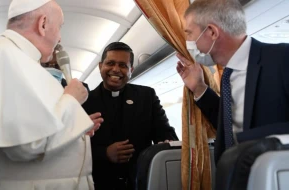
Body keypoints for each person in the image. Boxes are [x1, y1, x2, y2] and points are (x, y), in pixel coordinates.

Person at [0, 0, 103, 189]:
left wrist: (76, 128)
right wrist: (72, 99)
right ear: (43, 23)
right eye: (60, 28)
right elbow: (27, 145)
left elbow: (38, 126)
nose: (60, 38)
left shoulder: (18, 60)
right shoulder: (3, 56)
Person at [176, 0, 289, 164]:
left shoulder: (282, 59)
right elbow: (228, 126)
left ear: (212, 32)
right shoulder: (228, 75)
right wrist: (200, 88)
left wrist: (253, 143)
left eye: (189, 34)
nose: (189, 42)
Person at [82, 42, 178, 190]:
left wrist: (166, 143)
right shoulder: (85, 101)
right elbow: (75, 149)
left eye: (123, 65)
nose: (116, 69)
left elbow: (164, 132)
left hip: (141, 181)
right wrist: (105, 153)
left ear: (131, 70)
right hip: (99, 183)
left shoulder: (147, 96)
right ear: (100, 66)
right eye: (110, 63)